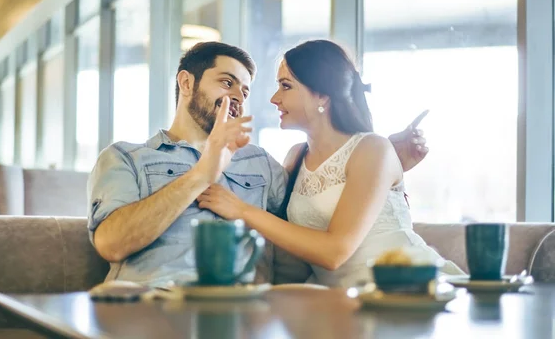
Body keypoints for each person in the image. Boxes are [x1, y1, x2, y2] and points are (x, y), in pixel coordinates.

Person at [87, 41, 428, 287]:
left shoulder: (261, 164)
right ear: (186, 83)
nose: (238, 95)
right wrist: (202, 174)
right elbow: (111, 244)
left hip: (242, 309)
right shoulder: (126, 157)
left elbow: (321, 218)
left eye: (245, 90)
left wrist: (389, 167)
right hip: (150, 301)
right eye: (226, 82)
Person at [197, 40, 463, 287]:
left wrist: (242, 211)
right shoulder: (295, 156)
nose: (274, 98)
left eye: (286, 86)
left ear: (323, 95)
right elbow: (290, 241)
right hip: (342, 301)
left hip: (415, 290)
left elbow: (335, 252)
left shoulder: (373, 149)